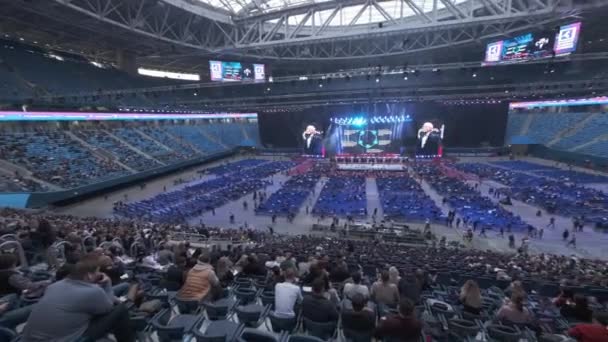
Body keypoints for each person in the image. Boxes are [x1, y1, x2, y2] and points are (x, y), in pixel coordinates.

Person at [22, 254, 134, 342]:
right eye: (97, 271)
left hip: (29, 338)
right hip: (65, 339)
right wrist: (108, 283)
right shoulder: (94, 291)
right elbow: (109, 308)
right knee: (120, 309)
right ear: (89, 275)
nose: (99, 273)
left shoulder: (54, 286)